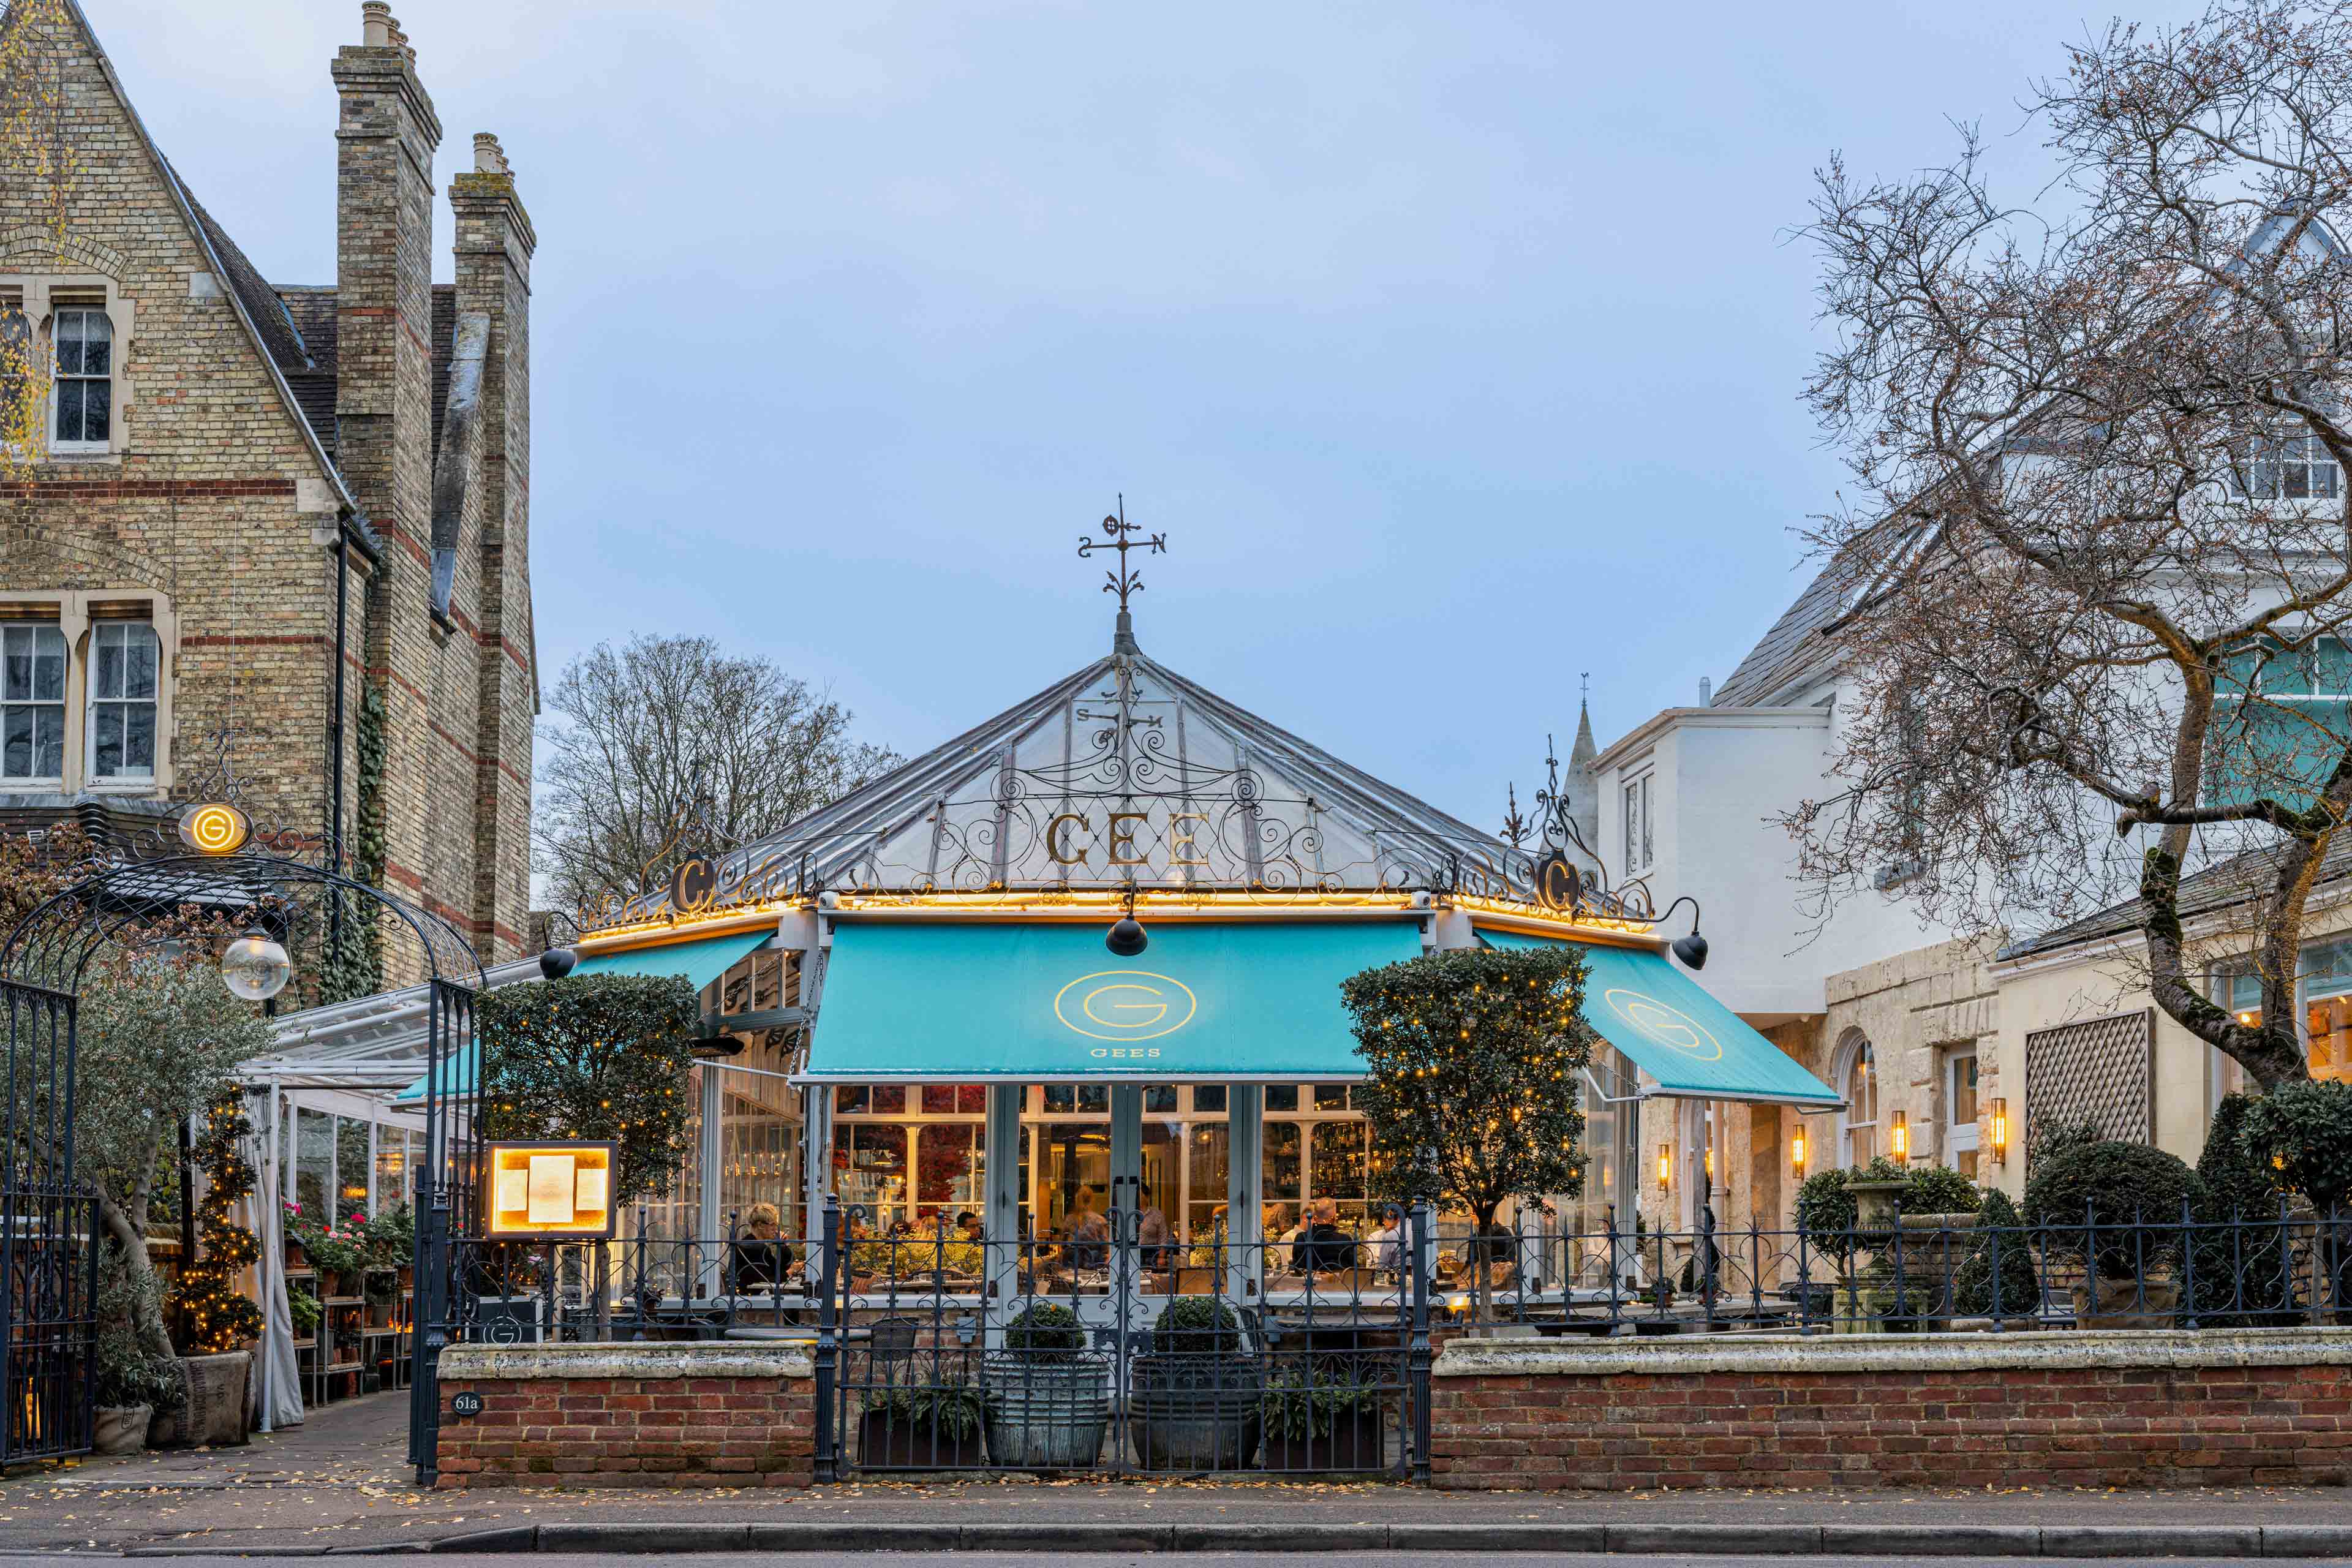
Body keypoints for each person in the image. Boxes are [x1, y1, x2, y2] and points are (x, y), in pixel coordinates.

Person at [727, 1202, 796, 1295]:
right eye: (773, 1224)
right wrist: (789, 1272)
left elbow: (778, 1270)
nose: (776, 1228)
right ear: (760, 1225)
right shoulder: (751, 1247)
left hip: (753, 1297)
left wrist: (783, 1245)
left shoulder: (758, 1246)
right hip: (746, 1300)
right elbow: (763, 1280)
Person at [1293, 1196, 1357, 1275]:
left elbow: (1298, 1269)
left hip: (1310, 1281)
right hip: (1338, 1281)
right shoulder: (1344, 1240)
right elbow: (1353, 1270)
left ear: (1314, 1216)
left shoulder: (1302, 1238)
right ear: (1334, 1216)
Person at [1065, 1189, 1109, 1270]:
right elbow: (1105, 1246)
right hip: (1094, 1264)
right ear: (1092, 1200)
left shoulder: (1070, 1220)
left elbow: (1063, 1242)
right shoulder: (1099, 1220)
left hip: (1073, 1264)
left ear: (1077, 1200)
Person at [1134, 1183, 1171, 1269]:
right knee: (1131, 1276)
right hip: (1132, 1252)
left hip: (1151, 1255)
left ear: (1147, 1197)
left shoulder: (1156, 1214)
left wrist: (1161, 1257)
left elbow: (1163, 1236)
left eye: (1140, 1194)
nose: (1137, 1197)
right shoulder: (1130, 1213)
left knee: (1149, 1276)